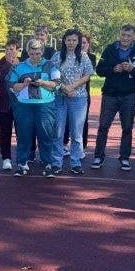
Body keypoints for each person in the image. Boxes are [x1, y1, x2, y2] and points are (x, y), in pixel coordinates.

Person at [91, 24, 135, 171]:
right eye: (123, 35)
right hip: (110, 94)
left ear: (134, 37)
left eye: (128, 36)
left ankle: (125, 158)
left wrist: (133, 69)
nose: (125, 38)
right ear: (119, 34)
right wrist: (113, 69)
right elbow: (99, 70)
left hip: (130, 94)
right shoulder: (110, 49)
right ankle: (98, 156)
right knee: (103, 126)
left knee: (127, 127)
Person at [9, 39, 60, 177]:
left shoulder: (51, 65)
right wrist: (23, 84)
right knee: (24, 135)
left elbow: (56, 85)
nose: (35, 56)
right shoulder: (19, 67)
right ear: (28, 53)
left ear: (42, 52)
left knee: (46, 135)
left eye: (38, 53)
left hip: (45, 105)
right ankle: (21, 164)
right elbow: (12, 86)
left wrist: (43, 82)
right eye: (32, 53)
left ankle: (48, 164)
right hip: (24, 106)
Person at [50, 29, 94, 175]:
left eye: (74, 40)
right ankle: (57, 162)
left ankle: (75, 162)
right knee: (58, 131)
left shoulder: (83, 56)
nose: (71, 43)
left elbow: (87, 75)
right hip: (60, 97)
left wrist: (72, 87)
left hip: (79, 98)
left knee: (76, 133)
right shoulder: (57, 56)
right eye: (68, 40)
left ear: (78, 41)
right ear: (64, 41)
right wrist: (64, 88)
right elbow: (54, 75)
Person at [20, 25, 57, 164]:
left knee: (44, 129)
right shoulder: (26, 51)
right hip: (29, 94)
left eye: (42, 34)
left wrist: (43, 81)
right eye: (38, 34)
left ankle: (45, 157)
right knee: (30, 127)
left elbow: (54, 74)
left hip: (45, 94)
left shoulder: (52, 52)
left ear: (47, 36)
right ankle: (30, 152)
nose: (40, 37)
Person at [0, 38, 20, 171]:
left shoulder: (23, 63)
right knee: (5, 132)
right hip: (3, 105)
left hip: (20, 104)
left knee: (21, 132)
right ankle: (6, 158)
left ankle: (22, 158)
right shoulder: (0, 63)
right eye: (7, 49)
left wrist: (16, 65)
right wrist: (9, 65)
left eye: (12, 49)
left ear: (17, 50)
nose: (9, 52)